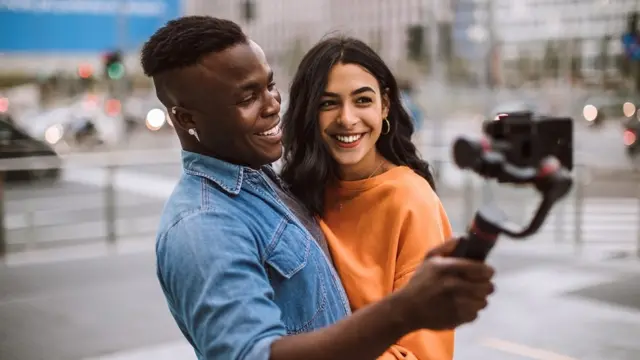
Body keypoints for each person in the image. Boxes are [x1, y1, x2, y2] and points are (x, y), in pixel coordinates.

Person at [142, 16, 495, 360]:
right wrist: (404, 309)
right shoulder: (202, 225)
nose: (272, 106)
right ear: (186, 118)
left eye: (269, 85)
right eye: (247, 97)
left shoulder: (267, 179)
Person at [280, 36, 453, 359]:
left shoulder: (411, 200)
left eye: (362, 100)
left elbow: (425, 351)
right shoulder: (296, 193)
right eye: (328, 103)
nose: (347, 118)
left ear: (384, 105)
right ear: (308, 113)